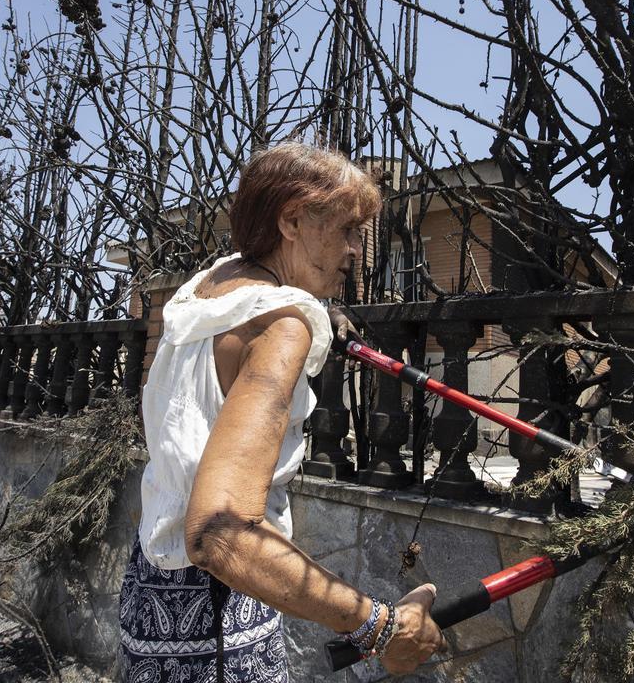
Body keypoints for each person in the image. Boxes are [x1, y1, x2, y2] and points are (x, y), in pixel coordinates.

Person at [119, 143, 445, 682]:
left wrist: (321, 308)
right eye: (346, 230)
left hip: (152, 590)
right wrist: (380, 626)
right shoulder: (281, 327)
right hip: (216, 618)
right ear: (292, 220)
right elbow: (220, 535)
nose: (356, 251)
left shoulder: (208, 288)